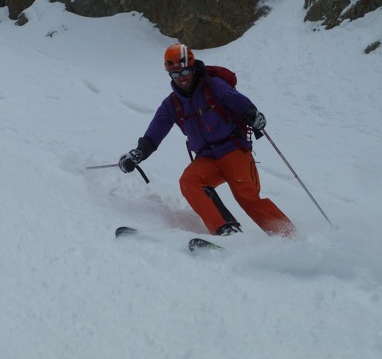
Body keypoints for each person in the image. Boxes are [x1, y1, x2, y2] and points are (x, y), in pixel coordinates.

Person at [118, 44, 295, 237]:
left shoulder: (214, 86)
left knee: (247, 197)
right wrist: (138, 153)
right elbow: (154, 133)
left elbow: (241, 104)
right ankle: (226, 229)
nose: (181, 78)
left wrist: (253, 115)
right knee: (190, 181)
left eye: (184, 71)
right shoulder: (172, 104)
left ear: (193, 67)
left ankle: (288, 235)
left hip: (233, 150)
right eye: (175, 74)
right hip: (207, 158)